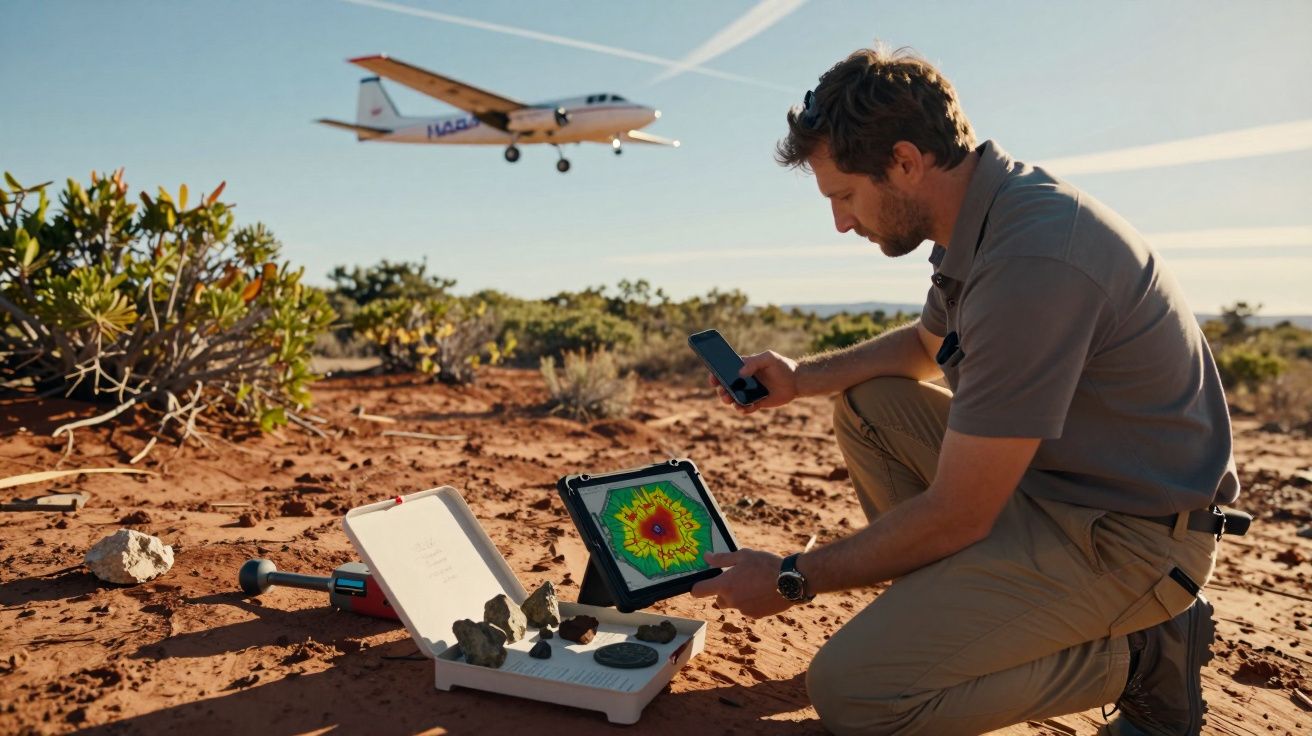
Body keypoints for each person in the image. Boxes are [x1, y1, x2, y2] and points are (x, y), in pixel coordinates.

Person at [689, 46, 1246, 736]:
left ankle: (1140, 657)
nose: (839, 221)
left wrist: (791, 576)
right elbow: (924, 351)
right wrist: (802, 379)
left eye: (844, 196)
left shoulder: (1031, 261)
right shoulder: (984, 216)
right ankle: (953, 611)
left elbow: (959, 513)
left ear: (904, 162)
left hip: (1132, 542)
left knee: (855, 696)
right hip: (1056, 497)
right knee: (871, 404)